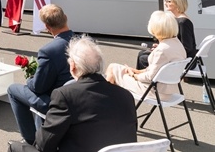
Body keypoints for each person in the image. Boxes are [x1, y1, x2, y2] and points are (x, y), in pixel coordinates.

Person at [8, 36, 137, 152]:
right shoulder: (126, 96)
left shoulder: (65, 96)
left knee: (15, 147)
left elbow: (43, 145)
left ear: (73, 66)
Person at [7, 4, 74, 144]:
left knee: (13, 90)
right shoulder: (85, 40)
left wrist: (30, 79)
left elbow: (38, 87)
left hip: (57, 103)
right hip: (79, 96)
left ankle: (31, 140)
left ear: (47, 27)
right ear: (65, 18)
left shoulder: (49, 51)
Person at [106, 10, 186, 99]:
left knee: (112, 68)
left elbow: (150, 77)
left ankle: (105, 102)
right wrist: (137, 71)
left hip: (154, 92)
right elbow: (157, 70)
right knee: (118, 69)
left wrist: (134, 75)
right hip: (167, 91)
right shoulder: (178, 44)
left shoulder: (162, 50)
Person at [136, 0, 196, 69]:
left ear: (177, 3)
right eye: (165, 1)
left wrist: (164, 50)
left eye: (169, 1)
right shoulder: (178, 19)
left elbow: (187, 47)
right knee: (142, 53)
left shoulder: (183, 22)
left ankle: (146, 78)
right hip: (177, 55)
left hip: (183, 60)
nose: (165, 3)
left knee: (143, 58)